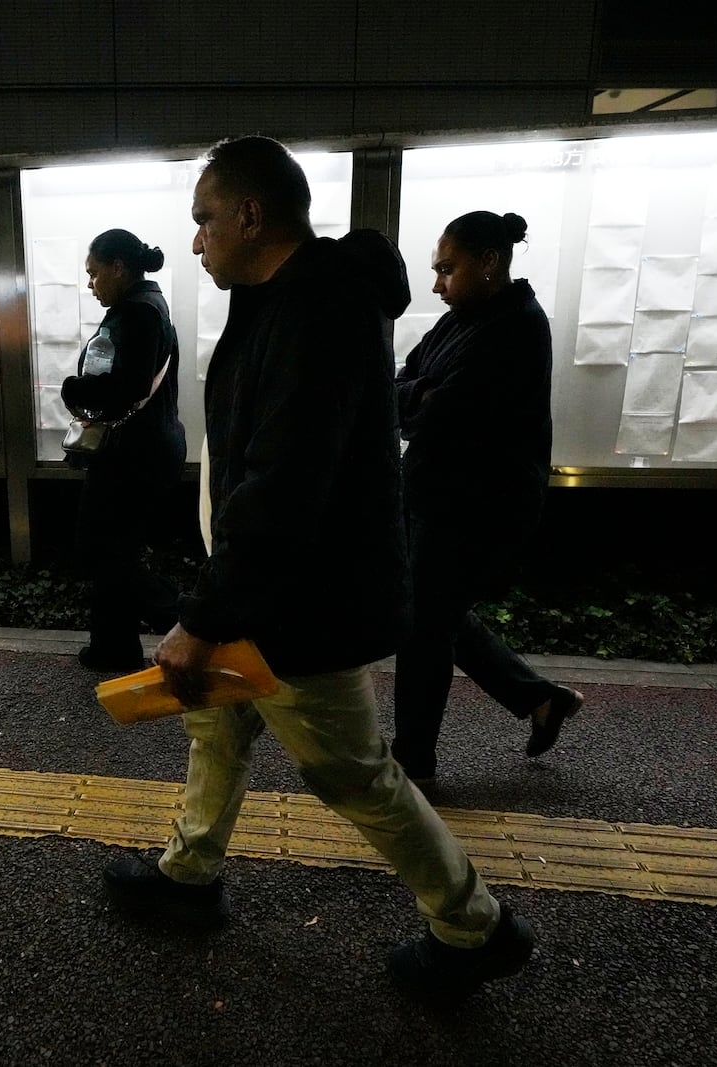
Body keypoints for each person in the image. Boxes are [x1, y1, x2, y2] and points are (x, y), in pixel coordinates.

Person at [100, 137, 534, 1000]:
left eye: (204, 220)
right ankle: (190, 874)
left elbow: (285, 484)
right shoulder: (285, 299)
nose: (195, 242)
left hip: (300, 603)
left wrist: (207, 615)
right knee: (216, 727)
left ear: (251, 215)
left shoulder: (316, 310)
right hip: (268, 588)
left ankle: (473, 924)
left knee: (351, 772)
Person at [390, 211, 584, 788]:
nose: (436, 285)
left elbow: (440, 409)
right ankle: (539, 700)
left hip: (477, 504)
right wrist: (419, 395)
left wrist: (418, 397)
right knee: (435, 613)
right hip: (433, 492)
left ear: (489, 261)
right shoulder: (464, 319)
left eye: (446, 269)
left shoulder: (519, 325)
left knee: (425, 625)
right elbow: (405, 381)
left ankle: (412, 766)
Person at [60, 229, 186, 672]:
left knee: (100, 550)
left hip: (131, 454)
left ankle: (189, 623)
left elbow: (121, 388)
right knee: (114, 550)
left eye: (94, 274)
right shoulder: (150, 307)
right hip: (146, 447)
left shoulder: (135, 314)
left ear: (119, 268)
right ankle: (113, 646)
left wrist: (72, 389)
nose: (91, 284)